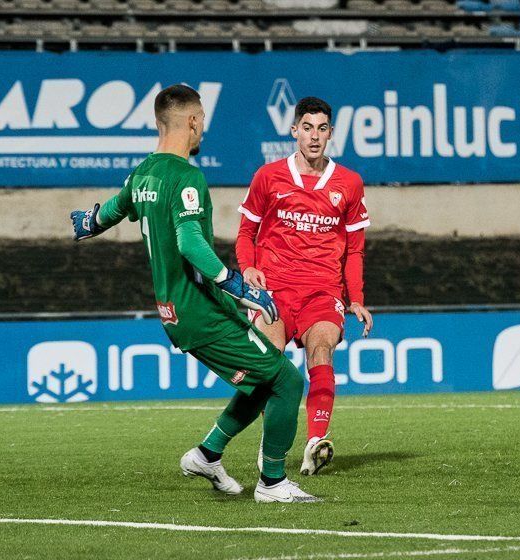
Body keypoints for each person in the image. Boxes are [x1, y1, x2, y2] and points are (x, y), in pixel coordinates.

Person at [70, 84, 318, 503]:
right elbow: (189, 241)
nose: (203, 129)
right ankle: (273, 483)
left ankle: (208, 454)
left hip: (178, 310)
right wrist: (235, 283)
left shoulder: (142, 174)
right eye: (201, 121)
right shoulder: (187, 178)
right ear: (192, 121)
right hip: (199, 310)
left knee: (261, 382)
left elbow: (106, 214)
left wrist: (87, 222)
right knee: (288, 382)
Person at [236, 96, 372, 476]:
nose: (314, 136)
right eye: (307, 127)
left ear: (331, 134)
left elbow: (356, 250)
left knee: (322, 350)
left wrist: (356, 299)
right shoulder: (268, 177)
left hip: (322, 290)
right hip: (274, 290)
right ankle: (272, 444)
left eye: (322, 128)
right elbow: (246, 233)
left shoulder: (349, 183)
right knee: (270, 365)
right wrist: (248, 269)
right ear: (294, 130)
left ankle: (315, 441)